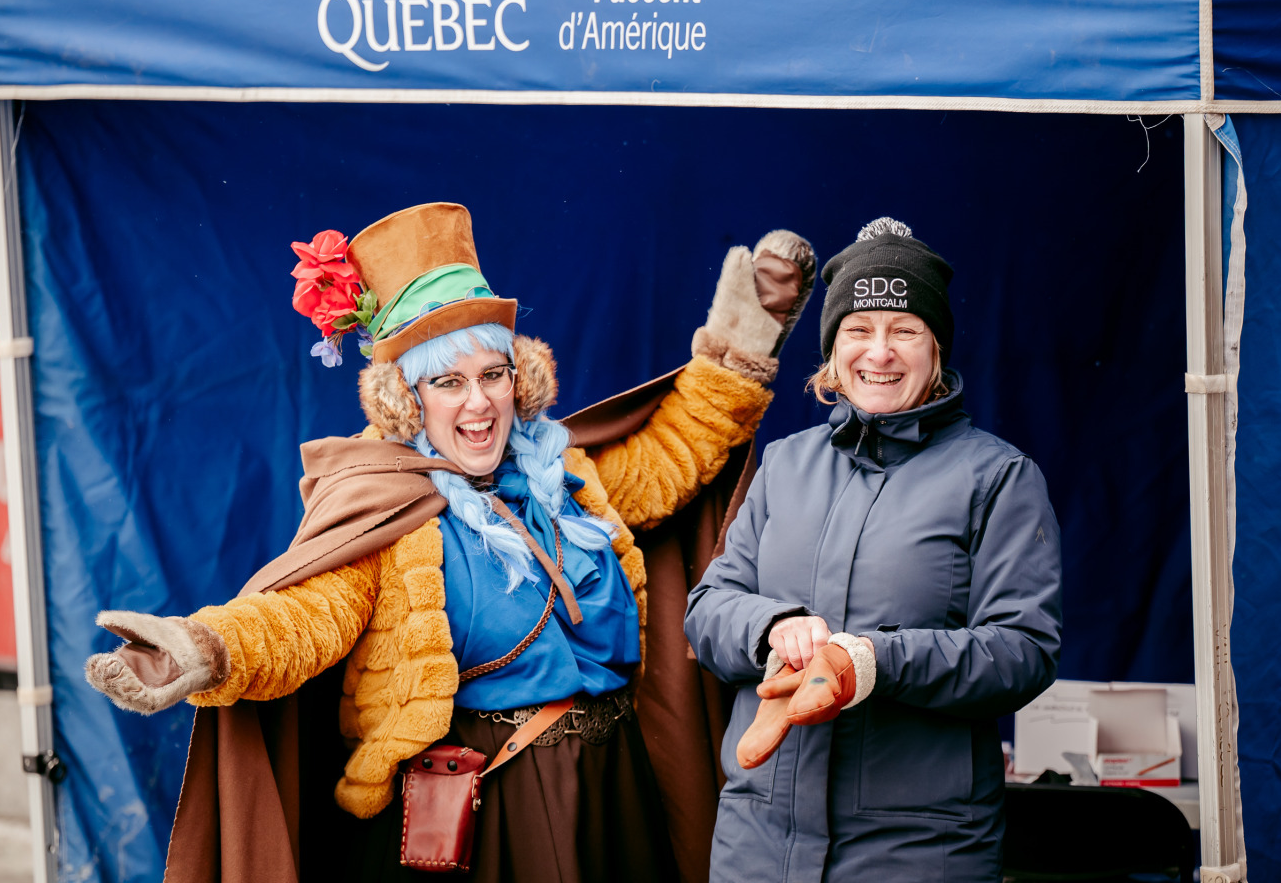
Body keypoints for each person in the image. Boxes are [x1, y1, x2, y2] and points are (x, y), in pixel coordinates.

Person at [83, 201, 815, 883]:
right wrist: (207, 648)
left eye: (493, 374)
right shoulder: (386, 506)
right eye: (448, 382)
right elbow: (303, 616)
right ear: (407, 400)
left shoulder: (565, 473)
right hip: (488, 810)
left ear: (520, 380)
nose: (478, 401)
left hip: (614, 788)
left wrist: (739, 347)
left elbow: (672, 461)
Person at [684, 217, 1062, 883]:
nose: (879, 353)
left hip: (916, 849)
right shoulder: (785, 465)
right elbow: (709, 607)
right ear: (833, 347)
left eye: (904, 331)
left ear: (936, 347)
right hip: (759, 844)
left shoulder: (999, 478)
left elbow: (1022, 651)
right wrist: (772, 627)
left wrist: (872, 661)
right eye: (858, 329)